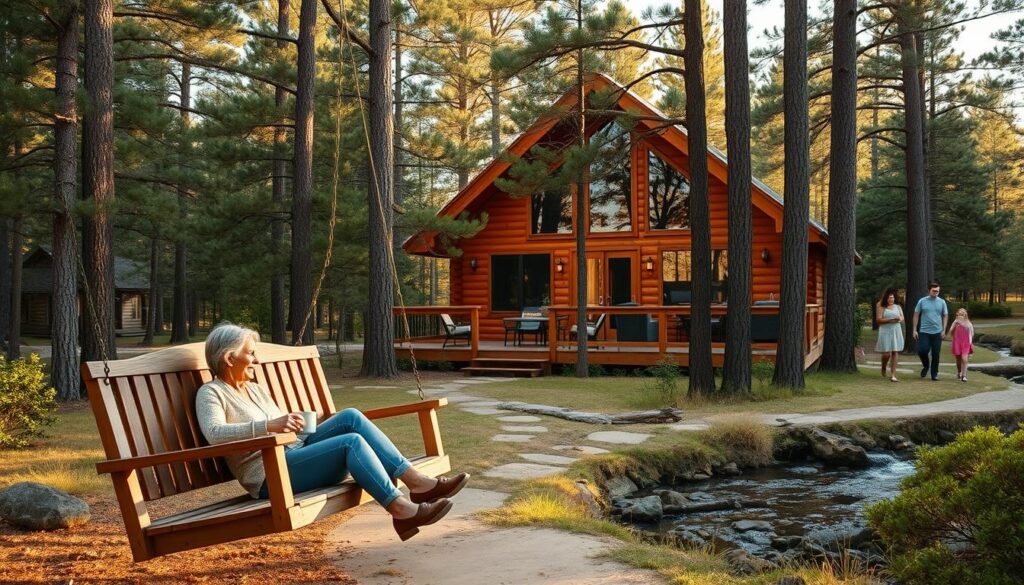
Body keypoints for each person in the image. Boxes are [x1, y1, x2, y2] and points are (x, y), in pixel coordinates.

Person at [195, 323, 469, 541]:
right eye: (250, 353)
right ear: (230, 358)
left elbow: (284, 430)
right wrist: (269, 425)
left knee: (349, 416)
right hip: (269, 475)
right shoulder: (211, 393)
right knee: (350, 443)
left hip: (293, 456)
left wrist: (300, 424)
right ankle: (401, 510)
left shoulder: (254, 389)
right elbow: (215, 433)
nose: (256, 359)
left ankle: (417, 482)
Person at [912, 282, 949, 381]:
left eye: (937, 291)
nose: (936, 292)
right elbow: (916, 314)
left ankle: (934, 374)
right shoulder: (922, 301)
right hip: (924, 331)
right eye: (934, 291)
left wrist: (944, 330)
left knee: (936, 354)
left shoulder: (942, 302)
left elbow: (945, 315)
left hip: (937, 332)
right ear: (929, 290)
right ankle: (926, 366)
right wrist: (914, 330)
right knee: (922, 350)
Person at [875, 288, 905, 382]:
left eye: (892, 297)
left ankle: (893, 374)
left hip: (896, 330)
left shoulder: (898, 306)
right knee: (886, 354)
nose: (891, 299)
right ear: (885, 298)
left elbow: (902, 317)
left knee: (895, 352)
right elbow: (879, 320)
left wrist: (899, 319)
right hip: (885, 331)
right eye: (889, 298)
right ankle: (883, 366)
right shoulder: (881, 306)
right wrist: (890, 320)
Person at [949, 308, 975, 382]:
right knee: (958, 360)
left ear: (965, 315)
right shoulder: (955, 322)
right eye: (959, 314)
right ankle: (959, 372)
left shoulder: (968, 323)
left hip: (966, 343)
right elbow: (951, 332)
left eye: (962, 314)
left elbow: (972, 334)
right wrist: (955, 325)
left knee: (964, 359)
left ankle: (964, 376)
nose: (961, 315)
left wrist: (970, 343)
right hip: (957, 342)